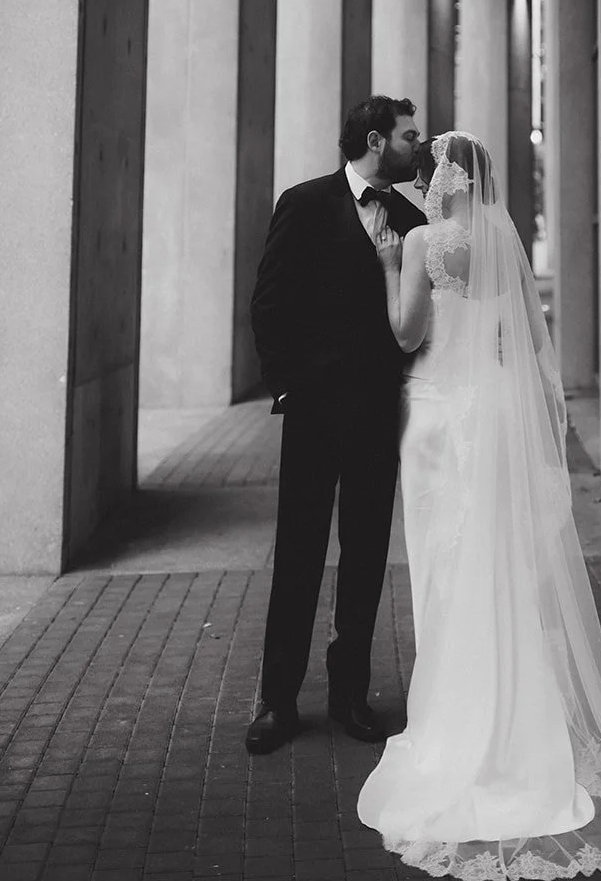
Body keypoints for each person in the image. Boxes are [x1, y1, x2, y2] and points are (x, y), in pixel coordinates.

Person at [357, 130, 601, 878]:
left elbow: (406, 332)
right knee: (499, 561)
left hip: (441, 416)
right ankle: (517, 710)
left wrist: (384, 262)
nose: (429, 179)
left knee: (443, 565)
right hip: (494, 412)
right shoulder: (501, 239)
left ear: (448, 176)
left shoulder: (421, 243)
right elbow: (514, 344)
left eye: (434, 168)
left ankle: (456, 713)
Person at [245, 95, 427, 755]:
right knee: (297, 554)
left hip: (379, 414)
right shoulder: (303, 201)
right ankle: (278, 700)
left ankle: (350, 693)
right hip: (314, 412)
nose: (420, 148)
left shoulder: (410, 220)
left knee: (366, 555)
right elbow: (268, 303)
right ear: (376, 142)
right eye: (410, 137)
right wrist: (288, 385)